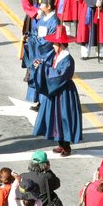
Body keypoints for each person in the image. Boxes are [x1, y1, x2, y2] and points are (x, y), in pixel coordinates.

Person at [32, 26, 81, 155]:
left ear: (60, 45)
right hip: (56, 91)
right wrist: (41, 65)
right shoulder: (57, 56)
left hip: (64, 93)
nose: (53, 46)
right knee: (55, 118)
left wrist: (44, 69)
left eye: (54, 43)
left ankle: (66, 146)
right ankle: (60, 142)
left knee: (64, 118)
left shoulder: (68, 60)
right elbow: (50, 68)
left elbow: (59, 75)